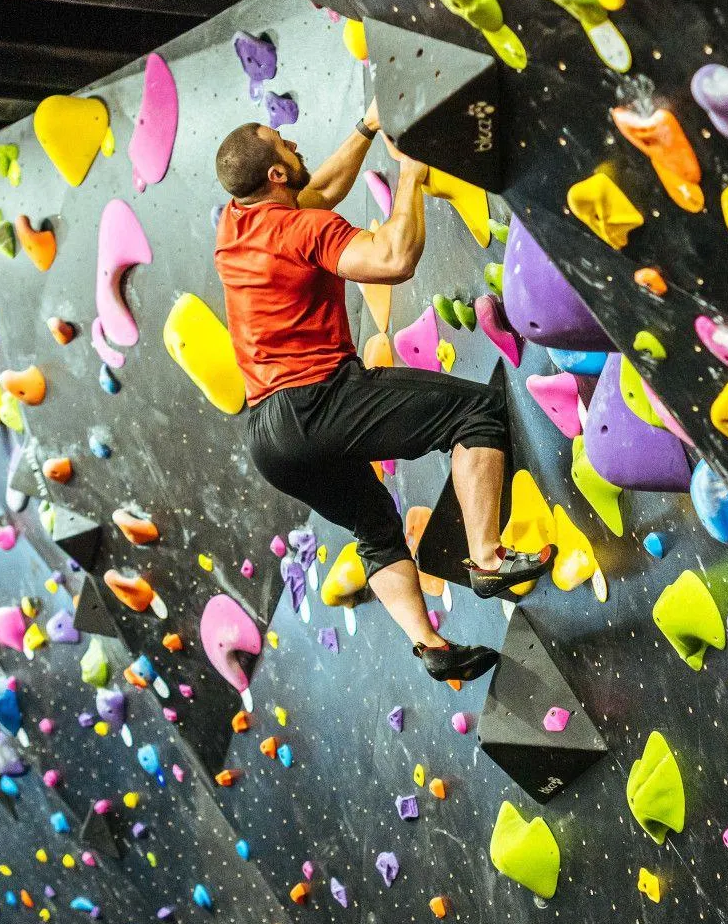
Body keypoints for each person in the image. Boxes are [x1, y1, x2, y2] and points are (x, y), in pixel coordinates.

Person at [212, 103, 553, 684]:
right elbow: (393, 260)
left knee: (374, 530)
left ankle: (431, 647)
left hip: (267, 438)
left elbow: (317, 187)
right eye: (282, 143)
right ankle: (489, 559)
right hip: (317, 400)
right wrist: (413, 175)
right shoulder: (302, 229)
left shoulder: (237, 223)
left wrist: (369, 128)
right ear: (273, 175)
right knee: (475, 413)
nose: (292, 142)